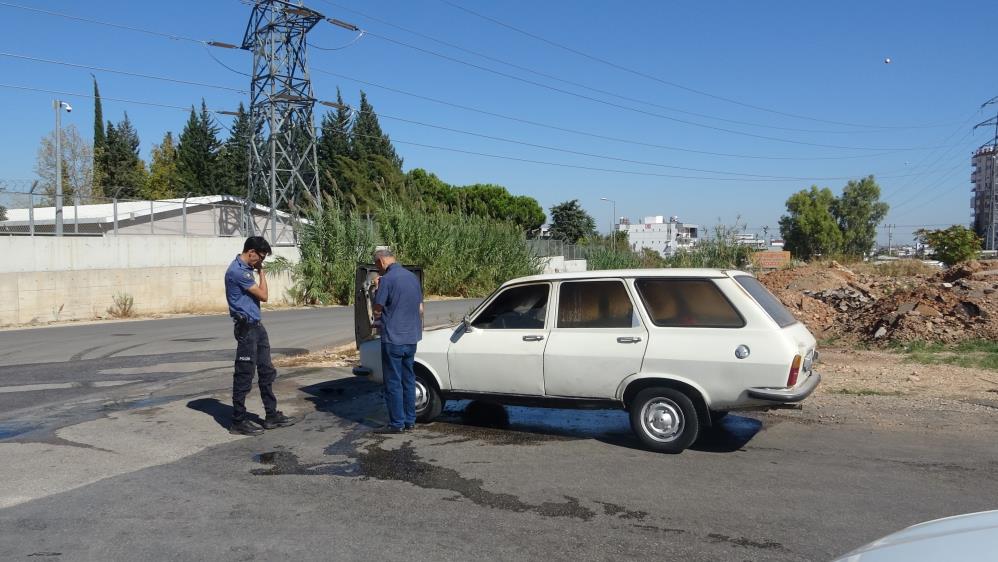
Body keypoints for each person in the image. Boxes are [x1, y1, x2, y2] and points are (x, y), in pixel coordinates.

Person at [224, 236, 298, 436]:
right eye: (260, 258)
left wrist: (259, 269)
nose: (260, 262)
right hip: (246, 328)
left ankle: (271, 414)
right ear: (251, 252)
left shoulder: (247, 270)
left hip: (257, 326)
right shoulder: (238, 271)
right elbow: (264, 296)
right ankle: (238, 421)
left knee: (266, 371)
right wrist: (262, 273)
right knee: (244, 374)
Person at [371, 248, 424, 434]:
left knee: (393, 382)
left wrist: (377, 288)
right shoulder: (412, 278)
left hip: (393, 339)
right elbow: (420, 308)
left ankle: (397, 423)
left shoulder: (387, 280)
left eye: (377, 266)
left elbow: (378, 308)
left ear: (381, 262)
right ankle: (410, 420)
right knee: (408, 380)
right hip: (411, 338)